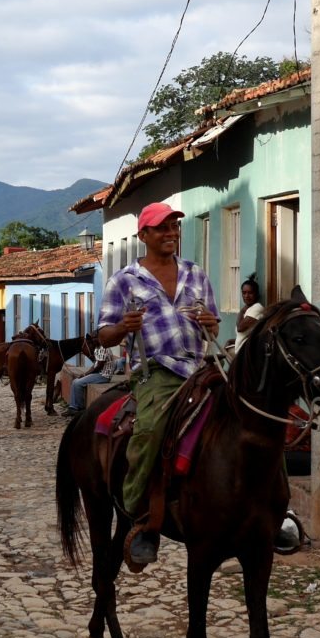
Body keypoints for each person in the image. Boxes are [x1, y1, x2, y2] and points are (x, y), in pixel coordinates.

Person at [96, 202, 220, 565]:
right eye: (162, 228)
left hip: (199, 365)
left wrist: (211, 323)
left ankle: (273, 512)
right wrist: (123, 328)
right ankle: (140, 514)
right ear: (144, 235)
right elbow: (104, 335)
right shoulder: (124, 281)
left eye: (174, 227)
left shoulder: (195, 274)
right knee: (149, 429)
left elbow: (212, 327)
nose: (171, 233)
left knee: (250, 415)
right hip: (156, 373)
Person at [62, 345, 115, 416]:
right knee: (75, 381)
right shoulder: (97, 348)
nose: (93, 340)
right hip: (98, 373)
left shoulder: (103, 348)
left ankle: (79, 408)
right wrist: (85, 374)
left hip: (103, 376)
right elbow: (95, 365)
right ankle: (73, 407)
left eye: (94, 338)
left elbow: (99, 365)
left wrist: (85, 375)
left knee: (78, 383)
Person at [234, 274, 264, 353]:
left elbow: (240, 328)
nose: (246, 296)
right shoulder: (248, 309)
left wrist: (242, 311)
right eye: (244, 293)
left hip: (248, 354)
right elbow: (242, 336)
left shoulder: (257, 308)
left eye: (250, 293)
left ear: (256, 294)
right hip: (241, 353)